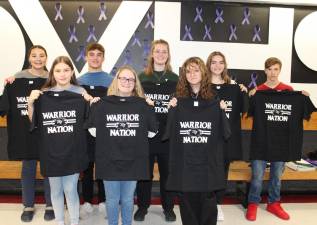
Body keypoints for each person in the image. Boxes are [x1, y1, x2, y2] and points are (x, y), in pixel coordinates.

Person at [86, 65, 158, 225]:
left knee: (127, 199)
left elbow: (152, 133)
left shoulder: (143, 105)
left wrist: (150, 109)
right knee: (111, 199)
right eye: (123, 78)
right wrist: (94, 109)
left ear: (135, 83)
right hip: (109, 160)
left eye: (131, 79)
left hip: (133, 161)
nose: (127, 82)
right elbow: (93, 131)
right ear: (116, 80)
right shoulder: (101, 104)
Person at [27, 56, 93, 225]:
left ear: (72, 72)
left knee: (70, 189)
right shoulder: (44, 94)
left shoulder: (80, 93)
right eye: (58, 70)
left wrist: (91, 102)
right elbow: (33, 121)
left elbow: (91, 121)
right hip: (51, 151)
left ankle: (74, 221)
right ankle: (59, 222)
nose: (62, 74)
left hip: (73, 150)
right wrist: (31, 102)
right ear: (52, 73)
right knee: (55, 190)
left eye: (66, 70)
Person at [165, 57, 229, 225]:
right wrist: (170, 109)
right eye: (188, 71)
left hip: (207, 162)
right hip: (185, 162)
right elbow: (169, 131)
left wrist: (222, 110)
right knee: (186, 200)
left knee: (208, 201)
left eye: (196, 70)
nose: (192, 74)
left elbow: (226, 132)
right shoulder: (177, 98)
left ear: (203, 72)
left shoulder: (214, 98)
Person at [0, 45, 54, 222]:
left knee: (49, 169)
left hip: (47, 132)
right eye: (34, 55)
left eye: (42, 55)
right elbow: (3, 107)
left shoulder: (52, 80)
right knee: (28, 168)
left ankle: (50, 204)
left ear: (46, 58)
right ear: (29, 58)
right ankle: (28, 205)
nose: (38, 59)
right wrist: (6, 85)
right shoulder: (16, 80)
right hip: (24, 134)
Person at [246, 57, 298, 221]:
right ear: (265, 71)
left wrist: (301, 96)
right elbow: (247, 111)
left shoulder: (288, 90)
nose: (272, 73)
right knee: (257, 177)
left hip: (281, 142)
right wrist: (250, 97)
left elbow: (295, 111)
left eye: (276, 69)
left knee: (276, 176)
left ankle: (274, 203)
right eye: (269, 69)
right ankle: (253, 203)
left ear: (279, 70)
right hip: (260, 141)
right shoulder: (258, 91)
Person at [134, 39, 178, 222]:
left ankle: (168, 207)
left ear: (168, 55)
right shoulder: (141, 77)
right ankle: (142, 206)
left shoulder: (176, 78)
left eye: (164, 51)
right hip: (146, 134)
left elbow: (182, 104)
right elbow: (133, 103)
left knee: (168, 172)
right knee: (144, 172)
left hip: (167, 134)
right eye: (157, 51)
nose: (160, 54)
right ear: (151, 54)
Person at [206, 51, 248, 221]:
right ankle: (206, 203)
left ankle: (217, 204)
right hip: (207, 139)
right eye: (214, 62)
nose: (217, 65)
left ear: (225, 65)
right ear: (208, 65)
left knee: (222, 173)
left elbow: (246, 108)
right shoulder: (202, 87)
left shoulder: (234, 88)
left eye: (220, 62)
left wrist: (245, 92)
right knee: (207, 171)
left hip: (226, 139)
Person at [77, 43, 113, 218]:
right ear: (86, 57)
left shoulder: (112, 81)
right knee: (87, 166)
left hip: (106, 131)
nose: (95, 58)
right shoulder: (78, 81)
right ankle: (88, 202)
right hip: (84, 132)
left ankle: (105, 201)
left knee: (104, 166)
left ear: (103, 58)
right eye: (91, 54)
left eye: (99, 54)